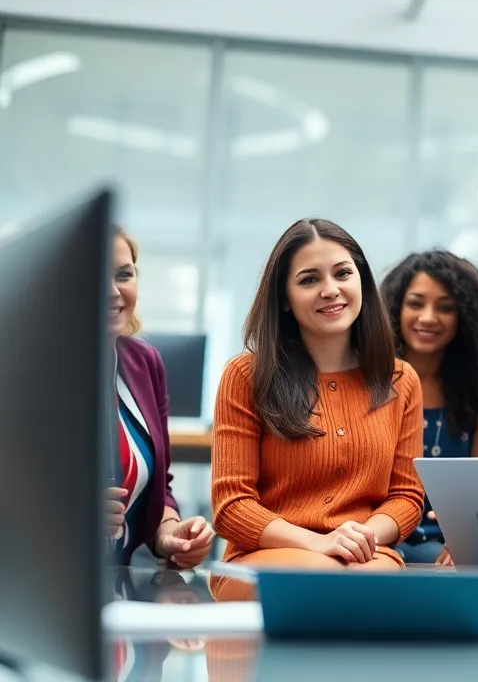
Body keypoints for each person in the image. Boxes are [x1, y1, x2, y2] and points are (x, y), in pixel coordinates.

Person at [210, 219, 424, 599]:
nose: (331, 290)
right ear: (285, 299)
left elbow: (407, 497)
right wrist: (317, 543)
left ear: (362, 282)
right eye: (309, 280)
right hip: (264, 558)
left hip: (366, 559)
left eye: (343, 273)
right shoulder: (246, 376)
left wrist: (359, 538)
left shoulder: (400, 380)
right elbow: (232, 506)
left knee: (371, 592)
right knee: (328, 585)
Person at [379, 250, 478, 564]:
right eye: (415, 303)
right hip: (373, 538)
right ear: (395, 309)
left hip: (443, 546)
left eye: (445, 307)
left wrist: (464, 543)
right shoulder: (368, 384)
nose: (427, 317)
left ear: (465, 318)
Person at [105, 226, 215, 568]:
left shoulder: (143, 362)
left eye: (124, 274)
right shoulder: (23, 366)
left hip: (113, 583)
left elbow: (158, 485)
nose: (113, 292)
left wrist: (168, 532)